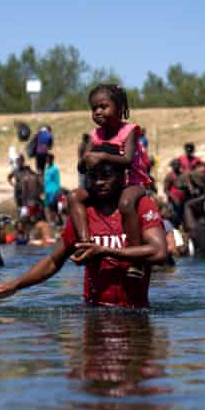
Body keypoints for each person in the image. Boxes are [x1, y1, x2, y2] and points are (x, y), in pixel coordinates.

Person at [0, 158, 167, 309]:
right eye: (93, 177)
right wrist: (16, 285)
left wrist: (105, 251)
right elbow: (53, 261)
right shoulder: (83, 216)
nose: (99, 182)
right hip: (96, 312)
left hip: (135, 312)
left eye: (106, 176)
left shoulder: (140, 206)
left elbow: (159, 252)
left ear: (121, 176)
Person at [69, 85, 152, 279]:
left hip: (132, 182)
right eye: (94, 108)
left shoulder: (129, 130)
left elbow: (128, 160)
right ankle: (85, 245)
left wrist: (103, 156)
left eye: (104, 106)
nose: (98, 112)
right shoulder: (94, 135)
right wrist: (85, 159)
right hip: (105, 185)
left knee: (126, 203)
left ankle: (136, 259)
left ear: (120, 107)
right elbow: (81, 167)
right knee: (74, 196)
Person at [43, 153, 61, 225]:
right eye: (46, 159)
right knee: (46, 207)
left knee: (53, 208)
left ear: (52, 160)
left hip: (53, 191)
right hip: (47, 191)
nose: (47, 160)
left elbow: (57, 181)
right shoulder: (46, 168)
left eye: (48, 159)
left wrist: (57, 191)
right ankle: (50, 222)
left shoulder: (55, 169)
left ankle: (56, 221)